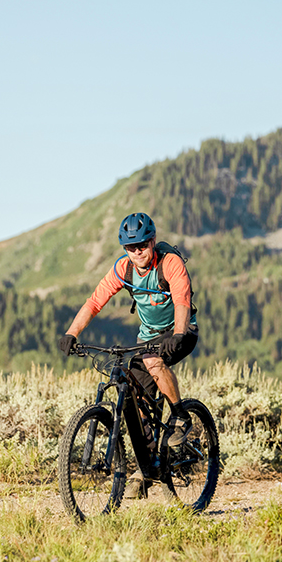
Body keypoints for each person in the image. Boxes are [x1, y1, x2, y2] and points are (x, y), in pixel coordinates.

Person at [58, 212, 198, 495]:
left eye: (142, 246)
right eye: (130, 248)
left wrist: (180, 333)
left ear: (152, 241)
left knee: (153, 361)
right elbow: (95, 301)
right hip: (147, 337)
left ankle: (181, 415)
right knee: (133, 390)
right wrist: (72, 334)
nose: (137, 253)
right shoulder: (124, 269)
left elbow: (182, 299)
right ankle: (147, 467)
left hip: (181, 331)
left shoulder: (170, 263)